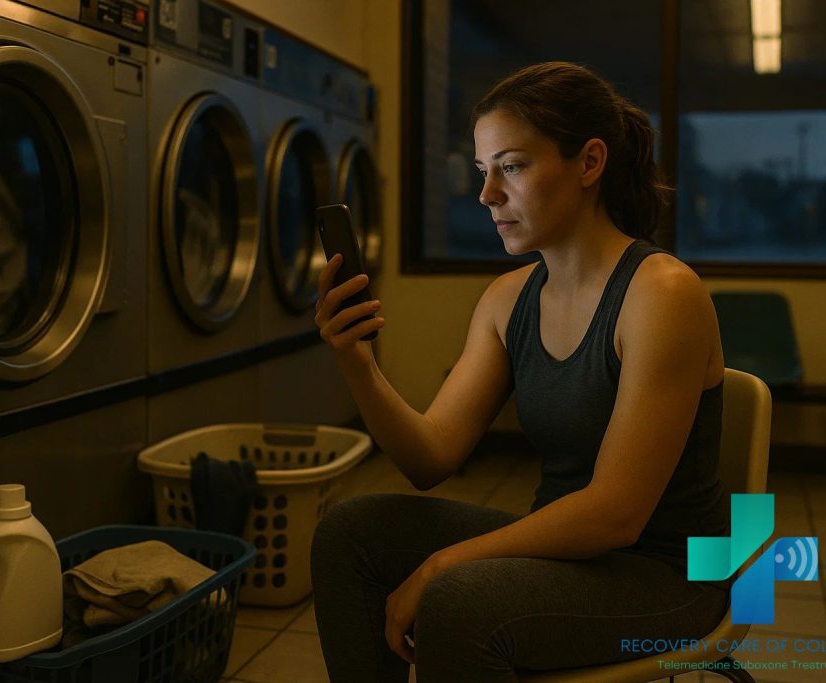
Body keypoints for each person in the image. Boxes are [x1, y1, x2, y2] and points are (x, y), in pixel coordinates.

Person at [310, 61, 730, 682]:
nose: (486, 196)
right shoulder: (508, 300)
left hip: (669, 577)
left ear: (589, 163)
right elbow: (429, 459)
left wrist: (438, 567)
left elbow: (616, 514)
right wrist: (358, 363)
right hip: (565, 554)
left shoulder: (662, 293)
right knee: (350, 532)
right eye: (483, 171)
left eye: (511, 166)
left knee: (458, 600)